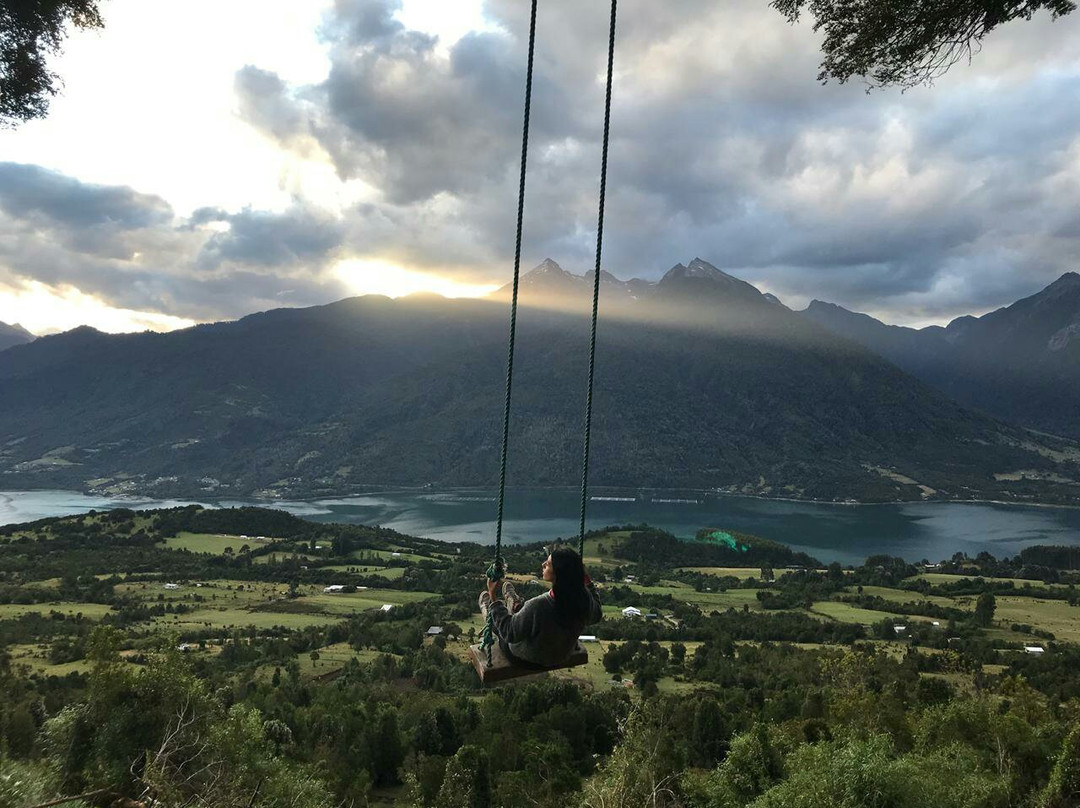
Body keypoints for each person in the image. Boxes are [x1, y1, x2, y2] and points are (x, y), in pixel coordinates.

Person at [479, 546, 603, 667]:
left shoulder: (539, 606)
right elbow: (596, 615)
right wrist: (586, 580)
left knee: (499, 627)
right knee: (526, 617)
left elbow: (509, 633)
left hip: (525, 659)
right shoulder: (582, 599)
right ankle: (516, 605)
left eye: (548, 564)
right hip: (561, 656)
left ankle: (488, 608)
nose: (543, 564)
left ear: (558, 573)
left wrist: (493, 595)